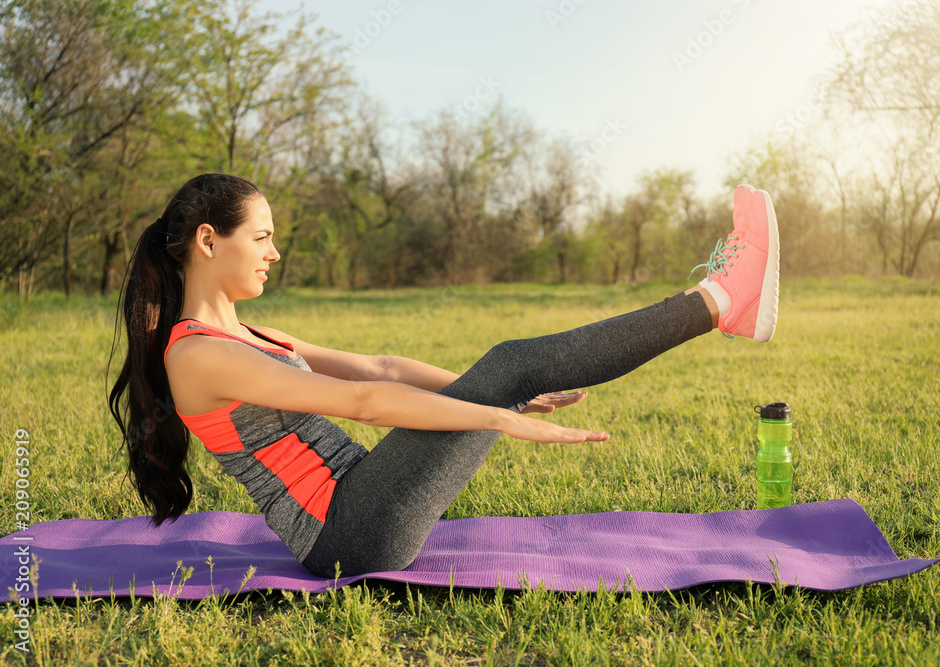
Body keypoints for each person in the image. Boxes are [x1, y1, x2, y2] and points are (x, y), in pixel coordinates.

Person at [108, 173, 779, 578]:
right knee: (509, 361)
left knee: (508, 367)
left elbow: (381, 367)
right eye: (261, 238)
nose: (275, 252)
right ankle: (723, 299)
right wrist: (495, 412)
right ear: (206, 241)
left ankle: (727, 302)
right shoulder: (197, 354)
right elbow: (365, 401)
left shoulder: (244, 334)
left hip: (359, 503)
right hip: (344, 535)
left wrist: (493, 389)